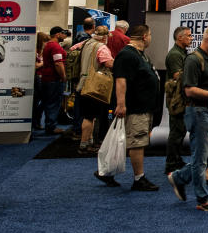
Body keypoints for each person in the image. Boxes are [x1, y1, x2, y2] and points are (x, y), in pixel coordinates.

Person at [96, 24, 160, 192]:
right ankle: (139, 178)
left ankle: (106, 171)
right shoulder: (127, 55)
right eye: (150, 34)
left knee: (128, 141)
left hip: (143, 106)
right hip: (135, 107)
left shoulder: (139, 55)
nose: (151, 38)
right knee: (136, 142)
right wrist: (121, 104)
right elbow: (121, 80)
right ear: (144, 36)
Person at [168, 24, 208, 212]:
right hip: (198, 112)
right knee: (200, 157)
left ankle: (179, 177)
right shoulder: (194, 59)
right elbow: (189, 90)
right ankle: (203, 199)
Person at [76, 26, 113, 156]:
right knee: (89, 117)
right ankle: (84, 144)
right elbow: (108, 63)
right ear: (104, 37)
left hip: (82, 82)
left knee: (88, 116)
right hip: (93, 85)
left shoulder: (85, 43)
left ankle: (89, 141)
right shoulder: (101, 47)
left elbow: (72, 50)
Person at [164, 26, 192, 174]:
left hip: (180, 97)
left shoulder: (182, 53)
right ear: (179, 38)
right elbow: (178, 76)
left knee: (180, 130)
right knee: (176, 131)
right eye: (188, 36)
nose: (191, 38)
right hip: (176, 98)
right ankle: (171, 163)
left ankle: (176, 159)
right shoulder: (175, 55)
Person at [37, 26, 68, 135]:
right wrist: (63, 77)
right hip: (53, 79)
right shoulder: (55, 47)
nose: (64, 35)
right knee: (53, 103)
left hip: (47, 78)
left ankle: (46, 124)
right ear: (57, 34)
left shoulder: (48, 46)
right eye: (63, 33)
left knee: (48, 102)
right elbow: (58, 63)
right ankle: (51, 126)